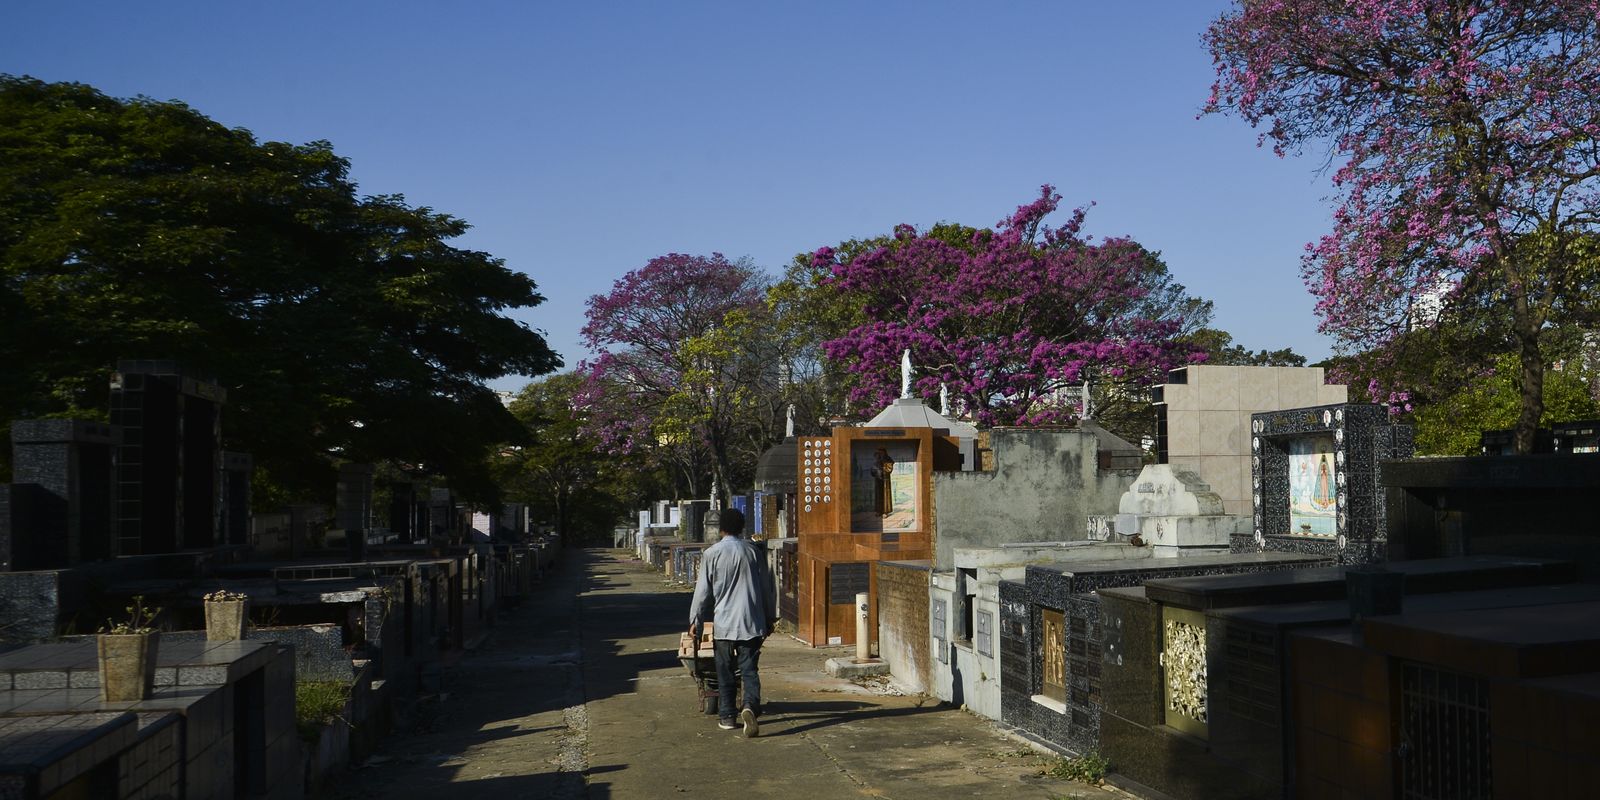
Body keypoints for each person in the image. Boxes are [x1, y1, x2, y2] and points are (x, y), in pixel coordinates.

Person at [688, 508, 775, 737]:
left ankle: (727, 716)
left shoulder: (712, 554)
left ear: (721, 529)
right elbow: (766, 588)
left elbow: (703, 592)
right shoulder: (753, 552)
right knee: (749, 670)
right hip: (751, 622)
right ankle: (749, 706)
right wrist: (768, 618)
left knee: (724, 671)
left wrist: (696, 620)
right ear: (742, 527)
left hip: (725, 623)